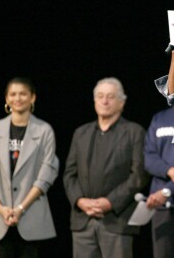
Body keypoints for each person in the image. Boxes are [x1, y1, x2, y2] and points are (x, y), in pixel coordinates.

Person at [63, 77, 148, 258]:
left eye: (110, 96)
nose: (104, 101)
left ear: (121, 102)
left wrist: (110, 202)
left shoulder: (134, 132)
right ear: (94, 101)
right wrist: (79, 201)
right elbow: (69, 174)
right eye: (100, 96)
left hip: (117, 222)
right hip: (82, 221)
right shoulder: (81, 133)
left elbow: (139, 176)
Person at [0, 77, 59, 258]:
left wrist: (21, 208)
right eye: (13, 94)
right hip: (0, 216)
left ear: (33, 98)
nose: (18, 98)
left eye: (23, 94)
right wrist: (1, 208)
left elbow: (46, 174)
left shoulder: (44, 130)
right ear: (6, 99)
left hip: (31, 214)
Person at [144, 51, 174, 258]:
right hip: (162, 207)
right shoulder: (160, 118)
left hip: (164, 194)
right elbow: (149, 156)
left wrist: (168, 190)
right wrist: (169, 170)